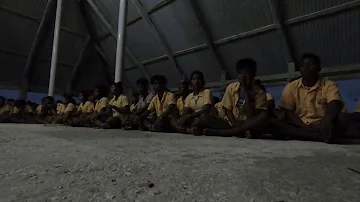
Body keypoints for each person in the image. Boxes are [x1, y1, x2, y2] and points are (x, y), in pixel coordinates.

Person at [272, 53, 357, 143]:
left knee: (342, 118)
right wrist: (305, 127)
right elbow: (288, 112)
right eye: (303, 65)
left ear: (319, 69)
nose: (306, 67)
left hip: (322, 124)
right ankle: (316, 136)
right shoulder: (291, 87)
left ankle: (309, 135)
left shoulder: (329, 85)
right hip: (300, 125)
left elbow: (334, 103)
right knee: (275, 124)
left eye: (310, 64)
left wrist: (325, 121)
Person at [199, 58, 269, 138]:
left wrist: (246, 92)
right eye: (240, 73)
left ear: (253, 75)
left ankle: (224, 132)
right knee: (204, 117)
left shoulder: (260, 93)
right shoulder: (231, 87)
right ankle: (238, 131)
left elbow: (251, 116)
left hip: (248, 123)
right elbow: (228, 110)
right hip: (232, 124)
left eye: (246, 72)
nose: (242, 75)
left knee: (264, 116)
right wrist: (235, 124)